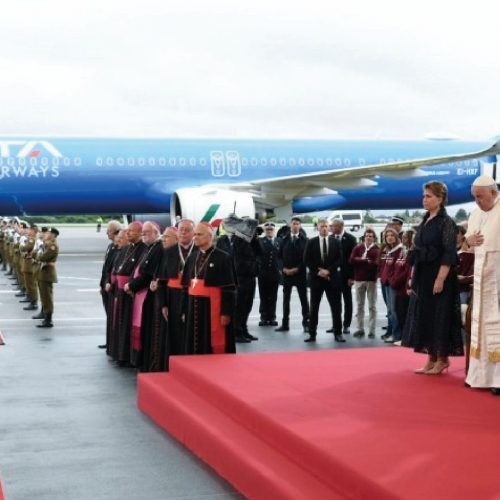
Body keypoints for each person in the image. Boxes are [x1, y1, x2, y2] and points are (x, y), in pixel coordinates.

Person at [402, 181, 463, 374]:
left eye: (428, 196)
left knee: (439, 316)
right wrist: (413, 276)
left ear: (440, 198)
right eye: (424, 196)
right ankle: (431, 357)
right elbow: (417, 250)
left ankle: (442, 359)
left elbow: (449, 253)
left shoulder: (446, 222)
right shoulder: (425, 220)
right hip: (423, 274)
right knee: (426, 316)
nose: (424, 199)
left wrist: (440, 279)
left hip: (439, 275)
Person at [464, 175, 500, 395]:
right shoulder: (475, 213)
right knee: (481, 326)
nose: (477, 201)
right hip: (481, 278)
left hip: (498, 278)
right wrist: (469, 241)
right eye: (474, 197)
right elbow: (468, 240)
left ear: (494, 193)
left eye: (480, 196)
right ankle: (480, 376)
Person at [182, 222, 237, 354]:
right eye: (195, 234)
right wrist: (183, 310)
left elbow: (229, 288)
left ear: (210, 236)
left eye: (199, 234)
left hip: (212, 308)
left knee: (212, 340)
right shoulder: (192, 257)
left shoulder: (223, 257)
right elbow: (185, 286)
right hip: (193, 307)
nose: (195, 237)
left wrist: (226, 313)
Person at [125, 221, 163, 370]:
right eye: (143, 232)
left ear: (156, 232)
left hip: (149, 296)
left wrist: (131, 286)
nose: (144, 234)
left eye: (147, 232)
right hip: (141, 293)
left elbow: (147, 275)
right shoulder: (150, 247)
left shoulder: (158, 248)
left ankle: (146, 363)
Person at [159, 221, 196, 369]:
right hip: (172, 297)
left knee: (192, 332)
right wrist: (163, 304)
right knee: (175, 333)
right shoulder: (168, 251)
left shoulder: (199, 250)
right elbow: (162, 280)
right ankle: (175, 366)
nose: (183, 233)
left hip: (193, 297)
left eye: (187, 230)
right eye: (181, 230)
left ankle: (193, 365)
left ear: (193, 233)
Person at [303, 219, 344, 343]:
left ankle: (338, 333)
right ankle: (312, 334)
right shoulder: (311, 242)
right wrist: (319, 271)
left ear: (329, 228)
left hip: (332, 279)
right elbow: (306, 259)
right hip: (316, 280)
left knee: (336, 308)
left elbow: (340, 259)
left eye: (326, 226)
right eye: (322, 226)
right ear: (318, 228)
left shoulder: (336, 242)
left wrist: (328, 271)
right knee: (314, 308)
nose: (324, 228)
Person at [275, 217, 309, 332]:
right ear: (290, 225)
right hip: (287, 274)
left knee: (304, 300)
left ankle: (306, 323)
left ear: (300, 226)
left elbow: (306, 258)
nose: (295, 226)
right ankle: (285, 324)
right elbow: (279, 257)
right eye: (293, 223)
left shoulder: (305, 240)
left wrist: (297, 269)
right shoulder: (284, 240)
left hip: (300, 274)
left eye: (297, 224)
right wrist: (283, 268)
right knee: (286, 301)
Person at [349, 228, 380, 339]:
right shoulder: (358, 247)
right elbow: (351, 260)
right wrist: (364, 260)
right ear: (364, 237)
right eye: (367, 236)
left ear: (374, 238)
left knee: (372, 306)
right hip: (359, 279)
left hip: (371, 280)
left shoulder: (377, 249)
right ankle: (360, 328)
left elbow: (376, 264)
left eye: (370, 236)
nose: (368, 238)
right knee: (359, 305)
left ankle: (372, 330)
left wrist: (367, 262)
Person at [329, 218, 357, 334]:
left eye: (334, 226)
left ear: (341, 226)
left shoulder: (351, 239)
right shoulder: (330, 238)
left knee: (347, 301)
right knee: (335, 302)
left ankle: (346, 325)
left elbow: (353, 260)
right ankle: (336, 325)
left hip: (346, 276)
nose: (332, 228)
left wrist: (352, 277)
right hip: (333, 276)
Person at [98, 220, 122, 349]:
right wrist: (102, 284)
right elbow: (105, 268)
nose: (107, 233)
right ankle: (109, 341)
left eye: (109, 230)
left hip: (112, 287)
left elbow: (113, 269)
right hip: (105, 286)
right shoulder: (110, 246)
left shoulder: (119, 248)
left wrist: (108, 283)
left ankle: (113, 343)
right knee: (109, 316)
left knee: (113, 316)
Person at [379, 227, 403, 343]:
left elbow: (399, 269)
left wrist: (392, 280)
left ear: (396, 237)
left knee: (393, 310)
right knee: (389, 310)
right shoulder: (388, 250)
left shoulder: (400, 250)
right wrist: (382, 278)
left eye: (392, 235)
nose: (389, 237)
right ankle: (391, 332)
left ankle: (396, 334)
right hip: (386, 284)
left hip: (393, 285)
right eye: (387, 236)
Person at [257, 222, 281, 326]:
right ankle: (263, 317)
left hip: (275, 273)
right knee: (263, 296)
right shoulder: (260, 241)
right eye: (267, 230)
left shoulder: (279, 241)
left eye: (271, 229)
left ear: (274, 230)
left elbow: (282, 256)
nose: (269, 231)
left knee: (273, 296)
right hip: (263, 273)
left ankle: (272, 317)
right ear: (265, 231)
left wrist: (281, 268)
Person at [36, 228, 60, 328]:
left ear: (53, 235)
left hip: (47, 274)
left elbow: (42, 257)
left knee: (47, 298)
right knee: (44, 297)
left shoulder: (52, 246)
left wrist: (38, 254)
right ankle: (45, 316)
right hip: (43, 273)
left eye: (48, 233)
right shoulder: (47, 244)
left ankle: (48, 320)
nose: (46, 234)